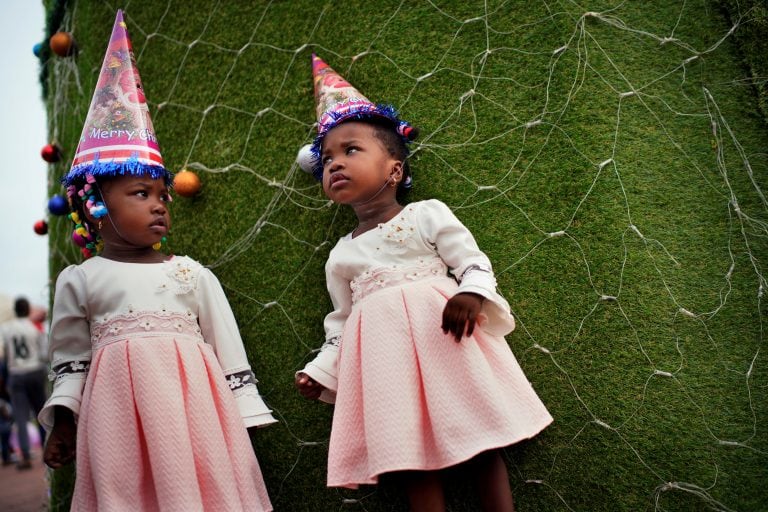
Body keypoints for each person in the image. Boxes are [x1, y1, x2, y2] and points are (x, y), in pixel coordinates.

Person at [295, 55, 553, 512]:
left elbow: (470, 261)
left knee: (480, 434)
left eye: (351, 150)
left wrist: (472, 294)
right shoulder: (341, 255)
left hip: (445, 337)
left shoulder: (425, 214)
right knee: (406, 452)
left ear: (394, 170)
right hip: (383, 361)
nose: (335, 164)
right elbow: (340, 320)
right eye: (327, 158)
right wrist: (322, 370)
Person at [39, 11, 275, 511]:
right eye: (141, 193)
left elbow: (226, 345)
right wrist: (63, 419)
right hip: (116, 424)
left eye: (162, 195)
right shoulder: (80, 279)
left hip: (200, 420)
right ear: (95, 207)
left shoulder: (190, 273)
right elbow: (71, 358)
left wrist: (244, 416)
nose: (159, 204)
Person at [0, 297, 47, 470]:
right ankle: (47, 449)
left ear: (15, 310)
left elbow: (4, 351)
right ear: (27, 310)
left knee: (20, 416)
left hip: (17, 373)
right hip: (35, 371)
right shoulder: (35, 328)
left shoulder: (6, 328)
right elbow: (44, 353)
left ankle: (25, 456)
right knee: (41, 412)